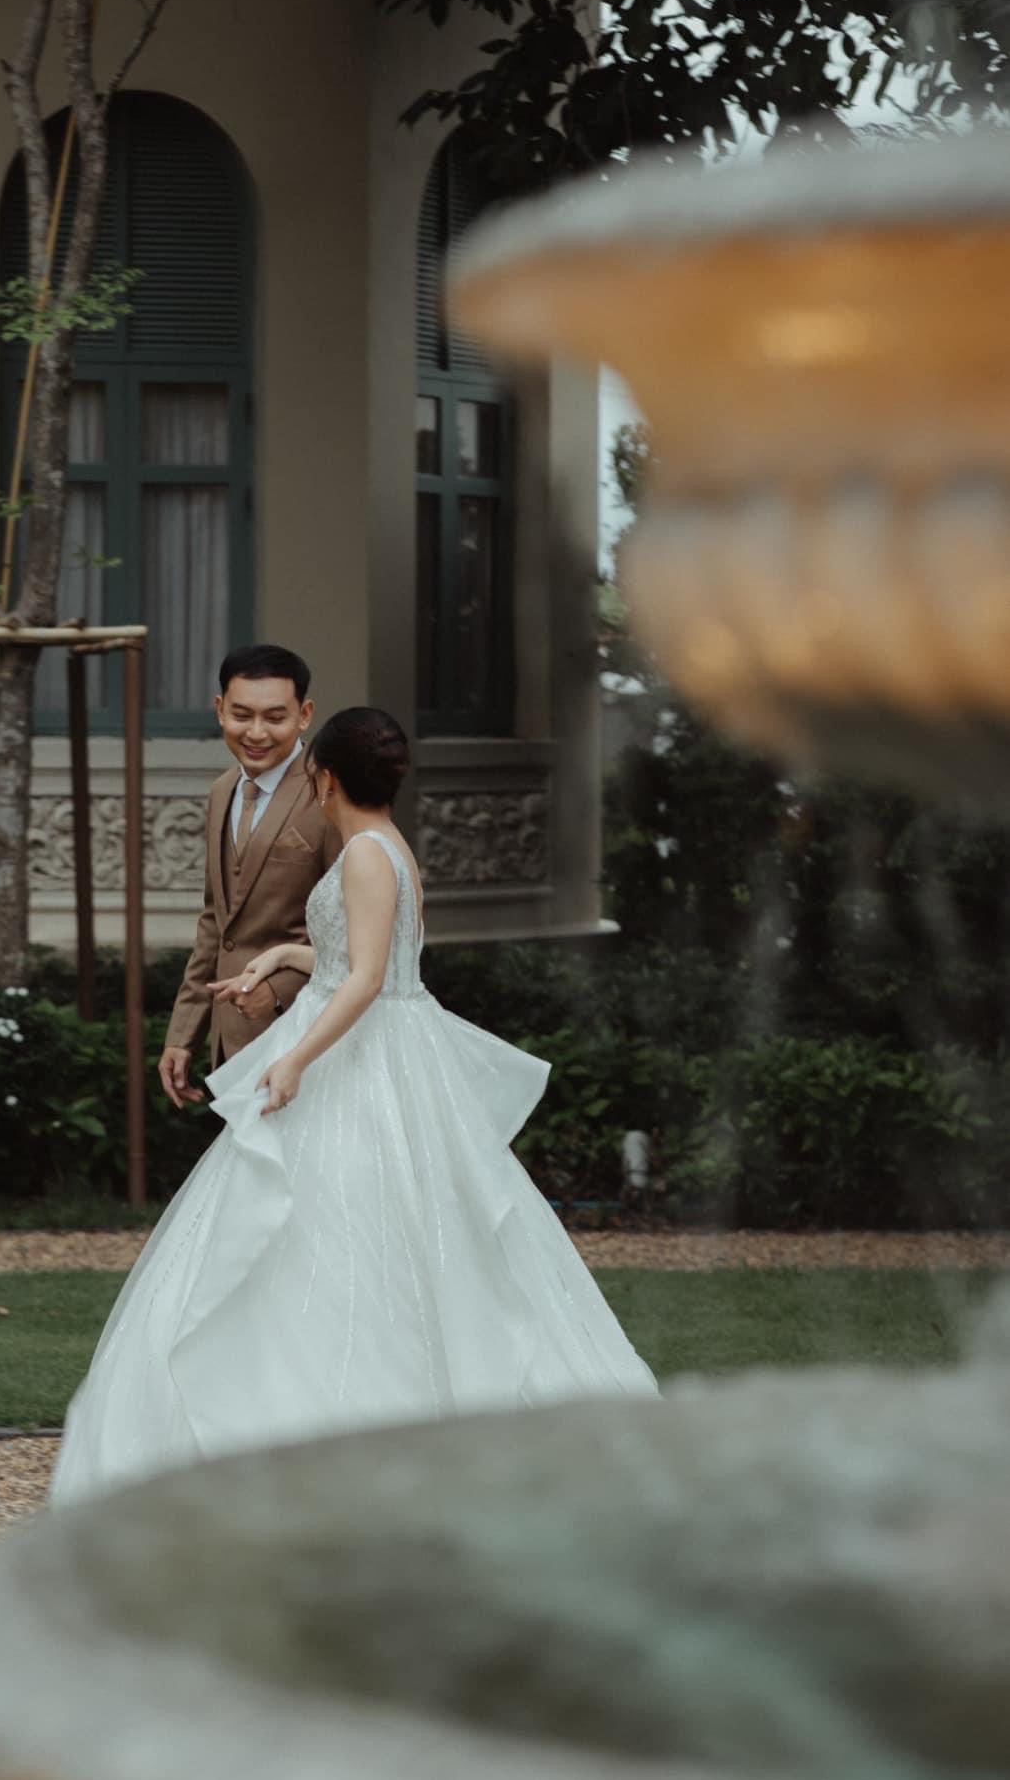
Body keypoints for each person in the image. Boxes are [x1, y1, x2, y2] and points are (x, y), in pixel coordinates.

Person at [52, 707, 656, 1503]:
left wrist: (296, 1057)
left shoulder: (367, 854)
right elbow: (359, 960)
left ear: (325, 777)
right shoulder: (384, 846)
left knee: (345, 1230)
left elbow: (369, 979)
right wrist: (279, 956)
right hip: (381, 1044)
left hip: (364, 1060)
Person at [158, 644, 341, 1112]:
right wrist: (184, 1033)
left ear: (304, 715)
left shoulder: (332, 795)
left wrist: (278, 992)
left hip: (308, 1039)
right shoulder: (222, 791)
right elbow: (216, 923)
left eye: (275, 718)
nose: (256, 733)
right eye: (242, 715)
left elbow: (363, 935)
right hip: (230, 1041)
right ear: (220, 710)